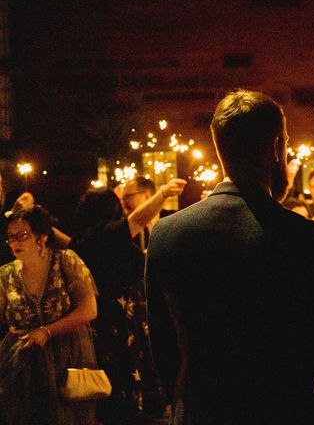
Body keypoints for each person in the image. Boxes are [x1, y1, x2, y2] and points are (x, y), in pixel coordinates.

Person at [145, 89, 314, 425]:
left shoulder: (167, 234)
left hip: (203, 412)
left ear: (220, 148)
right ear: (276, 148)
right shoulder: (306, 239)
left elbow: (163, 349)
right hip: (286, 412)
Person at [71, 178, 185, 425]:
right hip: (119, 326)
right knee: (126, 392)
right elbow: (136, 220)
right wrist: (163, 192)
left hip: (100, 325)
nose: (123, 207)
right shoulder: (105, 236)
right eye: (118, 203)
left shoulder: (81, 241)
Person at [0, 205, 99, 424]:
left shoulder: (66, 261)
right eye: (10, 237)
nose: (15, 242)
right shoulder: (5, 275)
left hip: (66, 356)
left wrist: (47, 331)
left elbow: (89, 309)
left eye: (23, 235)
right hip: (22, 361)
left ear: (42, 237)